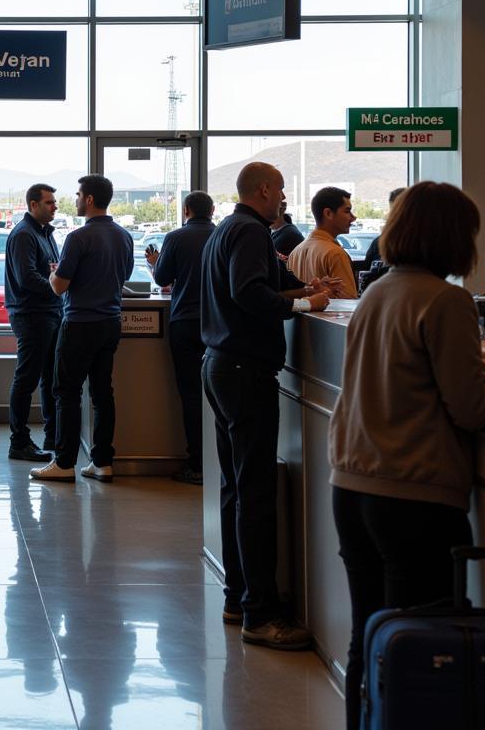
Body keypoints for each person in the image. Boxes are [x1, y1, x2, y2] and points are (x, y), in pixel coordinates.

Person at [329, 181, 485, 730]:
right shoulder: (447, 301)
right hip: (414, 494)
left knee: (373, 637)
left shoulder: (377, 291)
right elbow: (470, 408)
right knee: (419, 638)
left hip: (353, 485)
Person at [200, 162, 330, 649]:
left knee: (237, 487)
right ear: (263, 189)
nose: (282, 198)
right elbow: (249, 291)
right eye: (279, 189)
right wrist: (305, 306)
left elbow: (254, 287)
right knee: (255, 493)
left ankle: (239, 597)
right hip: (244, 371)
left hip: (220, 365)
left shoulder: (227, 229)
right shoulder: (251, 231)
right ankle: (261, 614)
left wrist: (304, 291)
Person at [31, 174, 133, 484]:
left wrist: (51, 274)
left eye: (78, 195)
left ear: (89, 199)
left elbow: (60, 287)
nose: (75, 200)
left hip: (78, 324)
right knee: (103, 393)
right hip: (110, 323)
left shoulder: (77, 238)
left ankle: (64, 462)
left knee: (66, 392)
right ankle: (102, 462)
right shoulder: (124, 236)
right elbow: (125, 274)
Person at [147, 190, 215, 486]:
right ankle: (218, 461)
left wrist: (155, 262)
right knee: (219, 394)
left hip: (185, 322)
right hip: (218, 324)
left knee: (190, 394)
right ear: (212, 210)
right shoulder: (222, 235)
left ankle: (197, 464)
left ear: (186, 210)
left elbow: (162, 279)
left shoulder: (175, 238)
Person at [3, 183, 62, 463]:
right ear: (33, 205)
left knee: (50, 377)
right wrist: (57, 289)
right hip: (32, 315)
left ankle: (52, 434)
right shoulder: (24, 235)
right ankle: (19, 441)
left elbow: (55, 271)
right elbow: (28, 278)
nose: (54, 206)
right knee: (26, 379)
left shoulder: (46, 234)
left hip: (50, 313)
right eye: (49, 202)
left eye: (55, 202)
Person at [285, 185, 358, 299]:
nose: (353, 217)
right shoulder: (335, 254)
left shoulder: (295, 251)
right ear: (328, 213)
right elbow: (347, 303)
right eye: (347, 211)